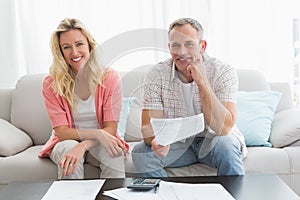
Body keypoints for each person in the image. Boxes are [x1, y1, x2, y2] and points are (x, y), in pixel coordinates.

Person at [132, 18, 247, 177]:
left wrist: (202, 82)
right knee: (140, 152)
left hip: (214, 141)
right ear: (169, 47)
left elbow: (224, 128)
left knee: (226, 144)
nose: (181, 52)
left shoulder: (223, 71)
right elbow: (148, 126)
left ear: (202, 46)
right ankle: (165, 195)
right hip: (176, 145)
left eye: (189, 44)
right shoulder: (156, 74)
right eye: (176, 45)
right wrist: (156, 141)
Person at [38, 18, 128, 179]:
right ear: (60, 52)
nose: (74, 52)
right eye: (67, 47)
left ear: (89, 45)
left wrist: (85, 144)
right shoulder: (51, 83)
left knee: (114, 151)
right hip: (66, 141)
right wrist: (97, 134)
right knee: (68, 148)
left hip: (99, 142)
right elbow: (63, 132)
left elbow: (110, 129)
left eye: (79, 44)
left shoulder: (109, 77)